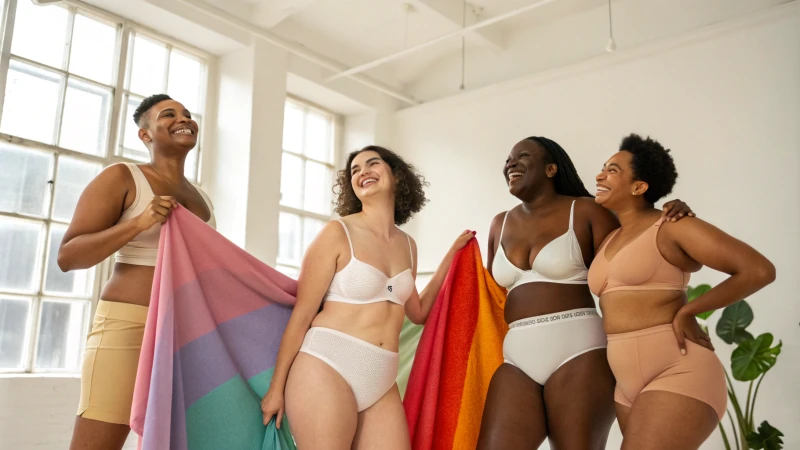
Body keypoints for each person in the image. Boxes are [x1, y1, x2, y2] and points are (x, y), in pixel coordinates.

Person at [478, 136, 696, 449]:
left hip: (579, 350)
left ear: (551, 168)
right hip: (516, 356)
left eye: (522, 156)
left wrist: (669, 214)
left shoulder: (585, 211)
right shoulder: (500, 223)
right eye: (508, 159)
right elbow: (489, 293)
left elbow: (637, 251)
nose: (510, 163)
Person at [260, 145, 472, 449]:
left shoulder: (408, 246)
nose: (363, 173)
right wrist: (276, 388)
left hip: (381, 378)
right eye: (355, 171)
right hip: (326, 364)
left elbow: (419, 312)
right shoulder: (337, 232)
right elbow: (302, 315)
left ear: (396, 176)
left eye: (372, 164)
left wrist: (451, 258)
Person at [588, 133, 775, 449]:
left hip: (678, 368)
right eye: (603, 167)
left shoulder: (672, 224)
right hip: (626, 384)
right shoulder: (607, 235)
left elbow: (758, 271)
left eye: (613, 170)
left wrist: (689, 310)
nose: (599, 175)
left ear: (639, 187)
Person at [59, 94, 215, 450]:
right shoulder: (122, 176)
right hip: (128, 327)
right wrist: (140, 222)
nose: (184, 118)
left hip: (184, 335)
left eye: (188, 114)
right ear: (145, 135)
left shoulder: (203, 198)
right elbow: (69, 257)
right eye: (169, 114)